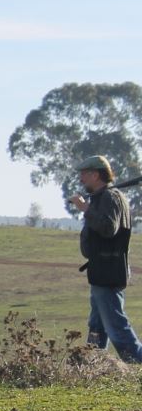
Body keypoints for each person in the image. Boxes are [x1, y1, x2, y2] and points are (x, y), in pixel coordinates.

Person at [70, 155, 141, 364]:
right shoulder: (104, 197)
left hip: (108, 271)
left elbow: (109, 229)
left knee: (116, 326)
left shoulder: (110, 198)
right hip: (102, 270)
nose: (81, 179)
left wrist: (86, 210)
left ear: (95, 174)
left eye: (84, 174)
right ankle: (90, 363)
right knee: (97, 324)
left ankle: (137, 361)